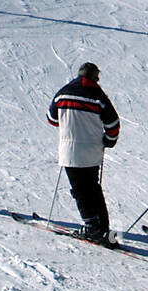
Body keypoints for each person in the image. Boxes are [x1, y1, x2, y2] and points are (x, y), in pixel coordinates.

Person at [47, 62, 120, 244]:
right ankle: (102, 227)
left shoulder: (63, 92)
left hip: (70, 150)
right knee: (93, 188)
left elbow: (52, 118)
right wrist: (108, 141)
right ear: (95, 77)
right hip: (93, 150)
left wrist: (67, 123)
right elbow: (113, 124)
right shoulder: (98, 95)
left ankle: (92, 227)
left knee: (80, 190)